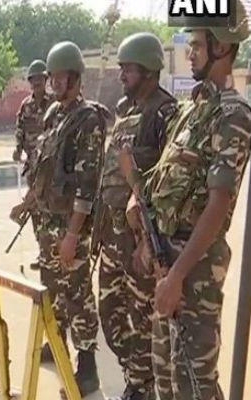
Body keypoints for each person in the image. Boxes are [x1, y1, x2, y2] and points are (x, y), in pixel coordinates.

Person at [125, 4, 251, 399]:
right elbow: (162, 181)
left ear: (222, 47)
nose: (190, 53)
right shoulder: (190, 112)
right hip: (167, 265)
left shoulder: (232, 116)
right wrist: (142, 223)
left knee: (194, 385)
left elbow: (218, 205)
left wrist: (177, 276)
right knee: (165, 382)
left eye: (197, 45)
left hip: (194, 274)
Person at [10, 41, 109, 396]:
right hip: (48, 221)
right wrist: (28, 203)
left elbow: (87, 185)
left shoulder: (88, 120)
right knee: (53, 290)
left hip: (71, 226)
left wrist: (72, 235)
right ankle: (57, 345)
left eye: (60, 77)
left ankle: (88, 368)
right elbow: (43, 170)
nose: (53, 83)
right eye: (51, 76)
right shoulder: (54, 115)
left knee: (78, 294)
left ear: (76, 78)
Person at [96, 32, 177, 400]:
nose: (121, 75)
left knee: (142, 320)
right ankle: (136, 377)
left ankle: (142, 386)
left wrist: (146, 240)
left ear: (148, 71)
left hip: (140, 239)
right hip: (113, 237)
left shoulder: (164, 114)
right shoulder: (126, 112)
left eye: (128, 69)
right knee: (111, 315)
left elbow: (167, 186)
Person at [12, 59, 53, 271]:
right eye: (33, 80)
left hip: (50, 166)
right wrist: (17, 149)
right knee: (34, 210)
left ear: (45, 80)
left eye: (40, 79)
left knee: (49, 209)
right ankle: (42, 251)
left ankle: (51, 251)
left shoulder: (54, 104)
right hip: (32, 165)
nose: (36, 83)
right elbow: (20, 129)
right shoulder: (25, 106)